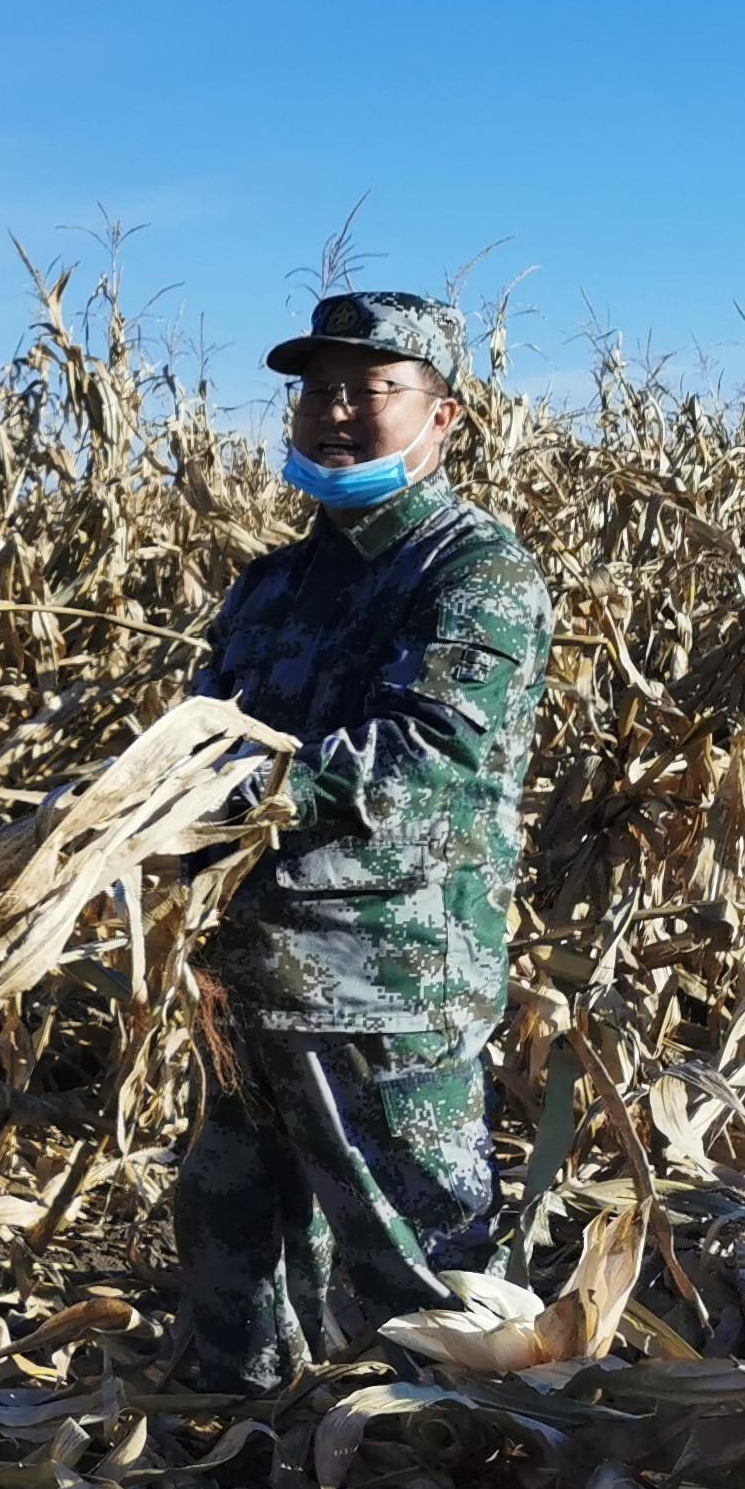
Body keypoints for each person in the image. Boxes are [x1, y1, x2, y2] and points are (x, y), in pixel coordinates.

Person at [173, 289, 554, 1397]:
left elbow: (430, 753)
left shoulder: (473, 571)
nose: (334, 412)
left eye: (369, 389)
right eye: (314, 391)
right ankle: (238, 1466)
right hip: (250, 980)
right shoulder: (274, 583)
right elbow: (205, 729)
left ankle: (441, 1485)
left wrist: (230, 780)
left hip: (387, 986)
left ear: (444, 417)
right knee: (231, 1240)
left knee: (416, 1266)